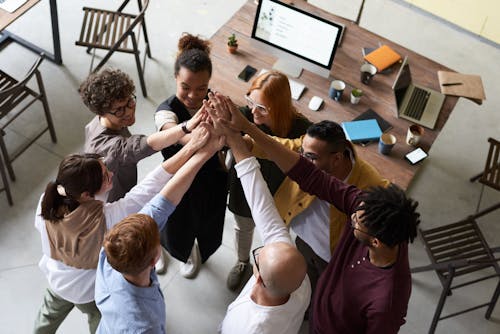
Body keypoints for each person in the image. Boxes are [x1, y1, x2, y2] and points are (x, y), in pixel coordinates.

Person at [209, 93, 421, 334]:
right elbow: (308, 174)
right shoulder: (368, 207)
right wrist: (243, 130)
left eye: (357, 222)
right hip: (318, 305)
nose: (352, 216)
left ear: (375, 241)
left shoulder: (388, 300)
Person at [33, 127, 209, 334]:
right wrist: (192, 148)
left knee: (47, 318)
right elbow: (152, 185)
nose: (112, 174)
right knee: (99, 320)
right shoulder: (108, 219)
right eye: (106, 177)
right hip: (87, 291)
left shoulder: (47, 201)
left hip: (56, 280)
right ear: (88, 194)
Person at [95, 126, 223, 333]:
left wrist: (204, 152)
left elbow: (163, 202)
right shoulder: (144, 325)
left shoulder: (111, 253)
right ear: (156, 258)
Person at [81, 68, 204, 274]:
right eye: (119, 110)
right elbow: (141, 146)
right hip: (115, 204)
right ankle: (153, 250)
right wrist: (187, 127)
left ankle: (159, 247)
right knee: (143, 225)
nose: (129, 111)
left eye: (130, 101)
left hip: (124, 191)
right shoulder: (104, 146)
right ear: (101, 112)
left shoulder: (100, 123)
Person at [251, 120, 388, 299]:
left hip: (330, 256)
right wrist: (246, 142)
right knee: (301, 282)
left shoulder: (371, 185)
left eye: (311, 158)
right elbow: (280, 146)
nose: (301, 162)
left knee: (322, 291)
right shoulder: (311, 147)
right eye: (303, 153)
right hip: (302, 240)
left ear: (337, 158)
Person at [213, 101, 310, 334]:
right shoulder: (299, 281)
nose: (263, 246)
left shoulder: (252, 328)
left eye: (258, 255)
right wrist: (235, 140)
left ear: (257, 278)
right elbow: (262, 204)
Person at [226, 70, 311, 291]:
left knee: (273, 241)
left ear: (280, 108)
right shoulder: (244, 115)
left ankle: (267, 271)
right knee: (242, 229)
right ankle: (242, 261)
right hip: (244, 192)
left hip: (280, 198)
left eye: (262, 108)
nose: (253, 111)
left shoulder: (302, 130)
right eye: (250, 102)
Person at [154, 33, 228, 278]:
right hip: (177, 178)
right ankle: (164, 250)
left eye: (201, 88)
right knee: (174, 224)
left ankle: (194, 253)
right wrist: (200, 138)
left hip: (210, 179)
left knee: (208, 224)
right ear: (175, 77)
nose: (194, 95)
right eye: (185, 87)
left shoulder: (217, 103)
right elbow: (174, 134)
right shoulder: (165, 112)